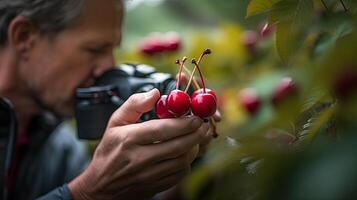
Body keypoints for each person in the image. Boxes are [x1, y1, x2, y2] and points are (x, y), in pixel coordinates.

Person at [0, 0, 220, 199]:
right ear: (24, 37)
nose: (109, 66)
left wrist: (181, 155)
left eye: (113, 50)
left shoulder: (59, 146)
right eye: (94, 49)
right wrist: (87, 192)